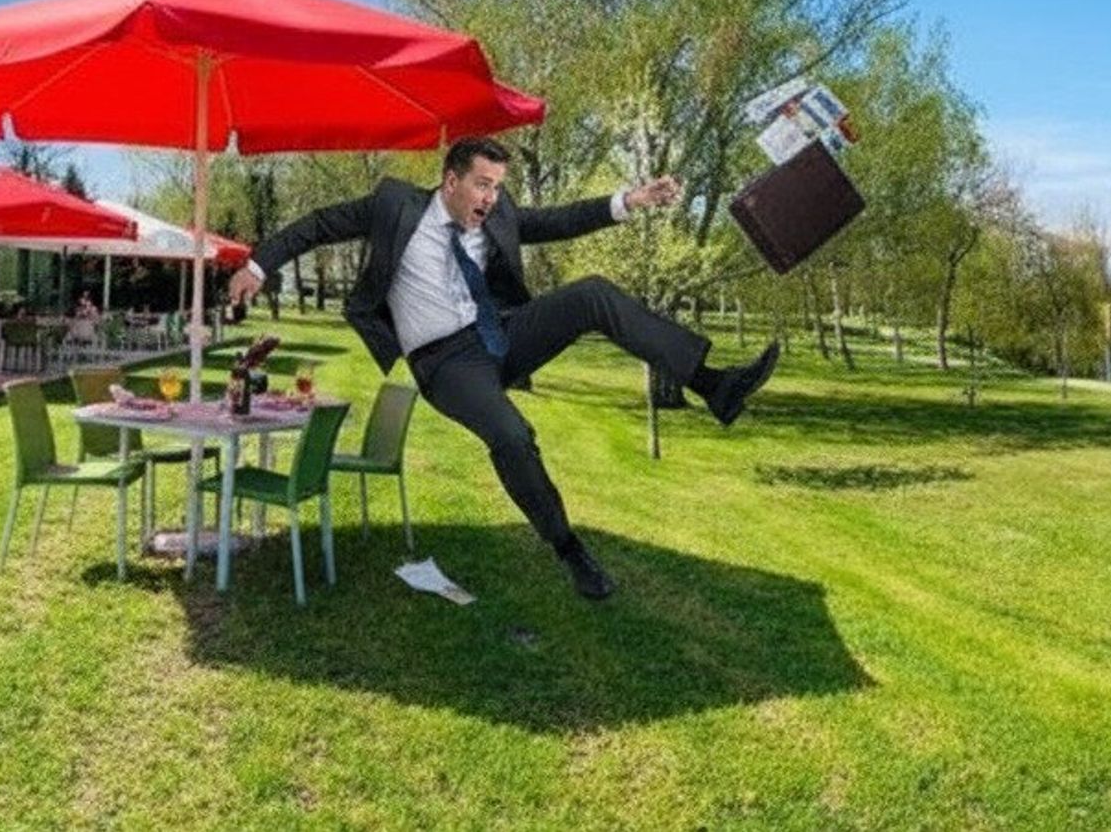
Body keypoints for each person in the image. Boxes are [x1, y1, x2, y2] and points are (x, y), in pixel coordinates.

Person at [230, 137, 779, 600]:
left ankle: (714, 385)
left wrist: (629, 199)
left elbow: (557, 221)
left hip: (499, 336)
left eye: (497, 187)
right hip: (445, 363)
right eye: (482, 185)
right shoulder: (393, 205)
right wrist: (258, 264)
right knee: (513, 435)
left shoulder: (498, 215)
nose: (491, 198)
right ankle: (570, 550)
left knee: (592, 294)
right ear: (450, 181)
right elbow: (317, 226)